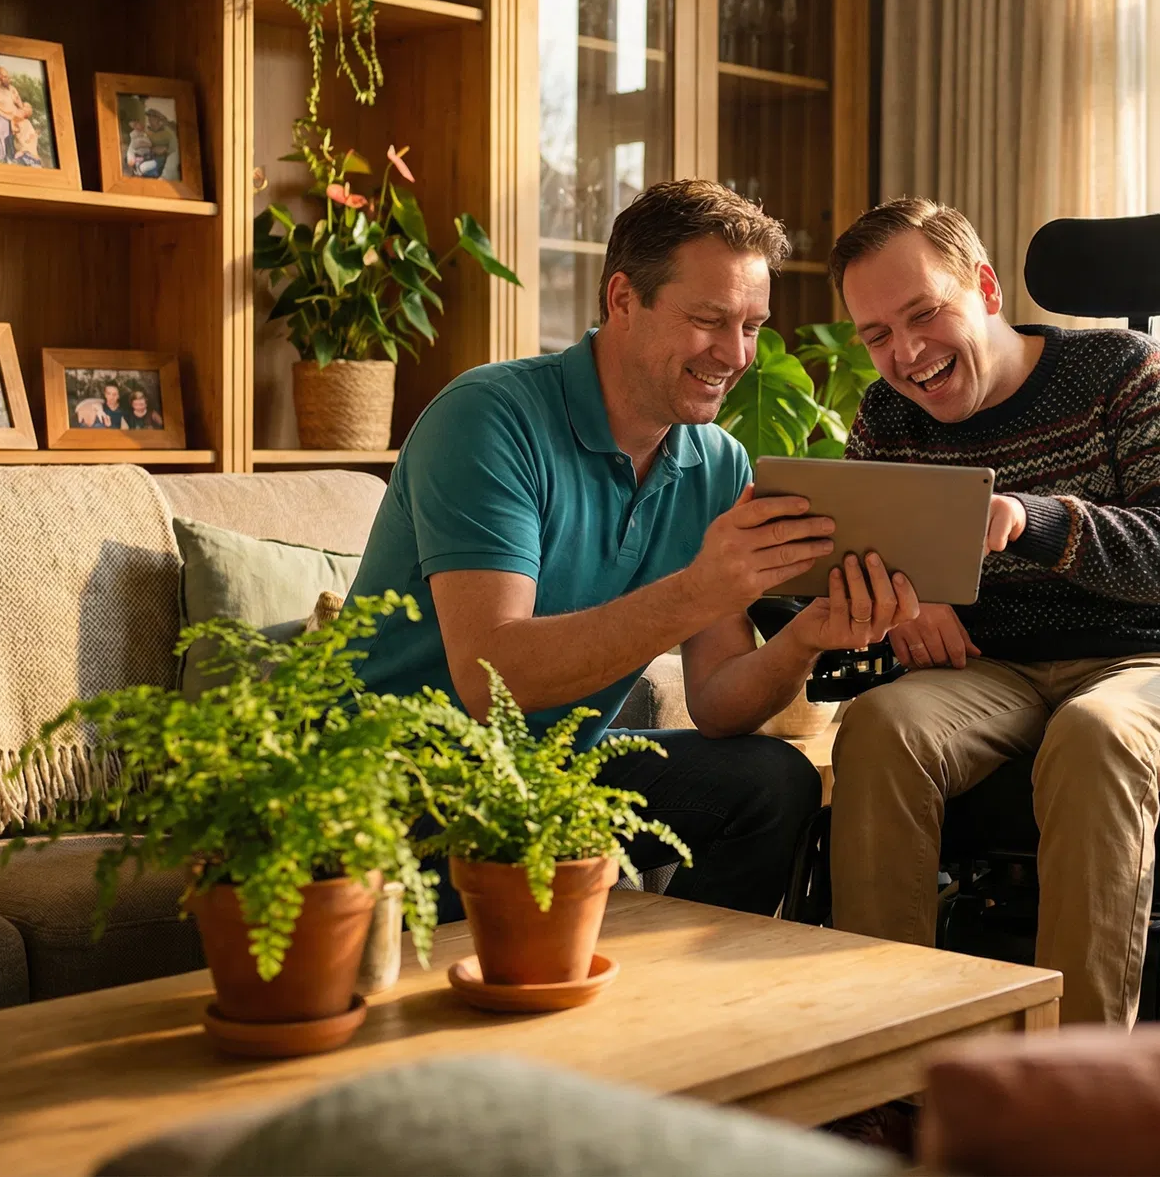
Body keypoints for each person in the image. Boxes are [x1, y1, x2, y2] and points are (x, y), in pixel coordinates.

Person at [348, 179, 919, 920]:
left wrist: (806, 639)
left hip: (553, 775)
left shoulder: (716, 464)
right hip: (396, 779)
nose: (736, 354)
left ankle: (674, 1003)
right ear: (622, 300)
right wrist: (700, 588)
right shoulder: (488, 420)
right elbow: (493, 682)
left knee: (773, 783)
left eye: (751, 325)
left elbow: (716, 704)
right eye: (710, 320)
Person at [824, 198, 1160, 1027]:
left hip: (1157, 658)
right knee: (880, 727)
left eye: (924, 314)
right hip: (988, 668)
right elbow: (865, 559)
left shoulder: (1126, 370)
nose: (906, 356)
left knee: (1096, 736)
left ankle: (1073, 1083)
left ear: (984, 287)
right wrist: (904, 603)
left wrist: (1036, 519)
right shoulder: (886, 417)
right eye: (876, 336)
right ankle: (884, 1064)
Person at [0, 63, 29, 165]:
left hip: (12, 117)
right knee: (3, 137)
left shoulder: (11, 88)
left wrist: (23, 110)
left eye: (8, 76)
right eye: (5, 77)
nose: (8, 79)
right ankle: (5, 159)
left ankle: (4, 156)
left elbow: (18, 100)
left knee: (11, 138)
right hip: (0, 115)